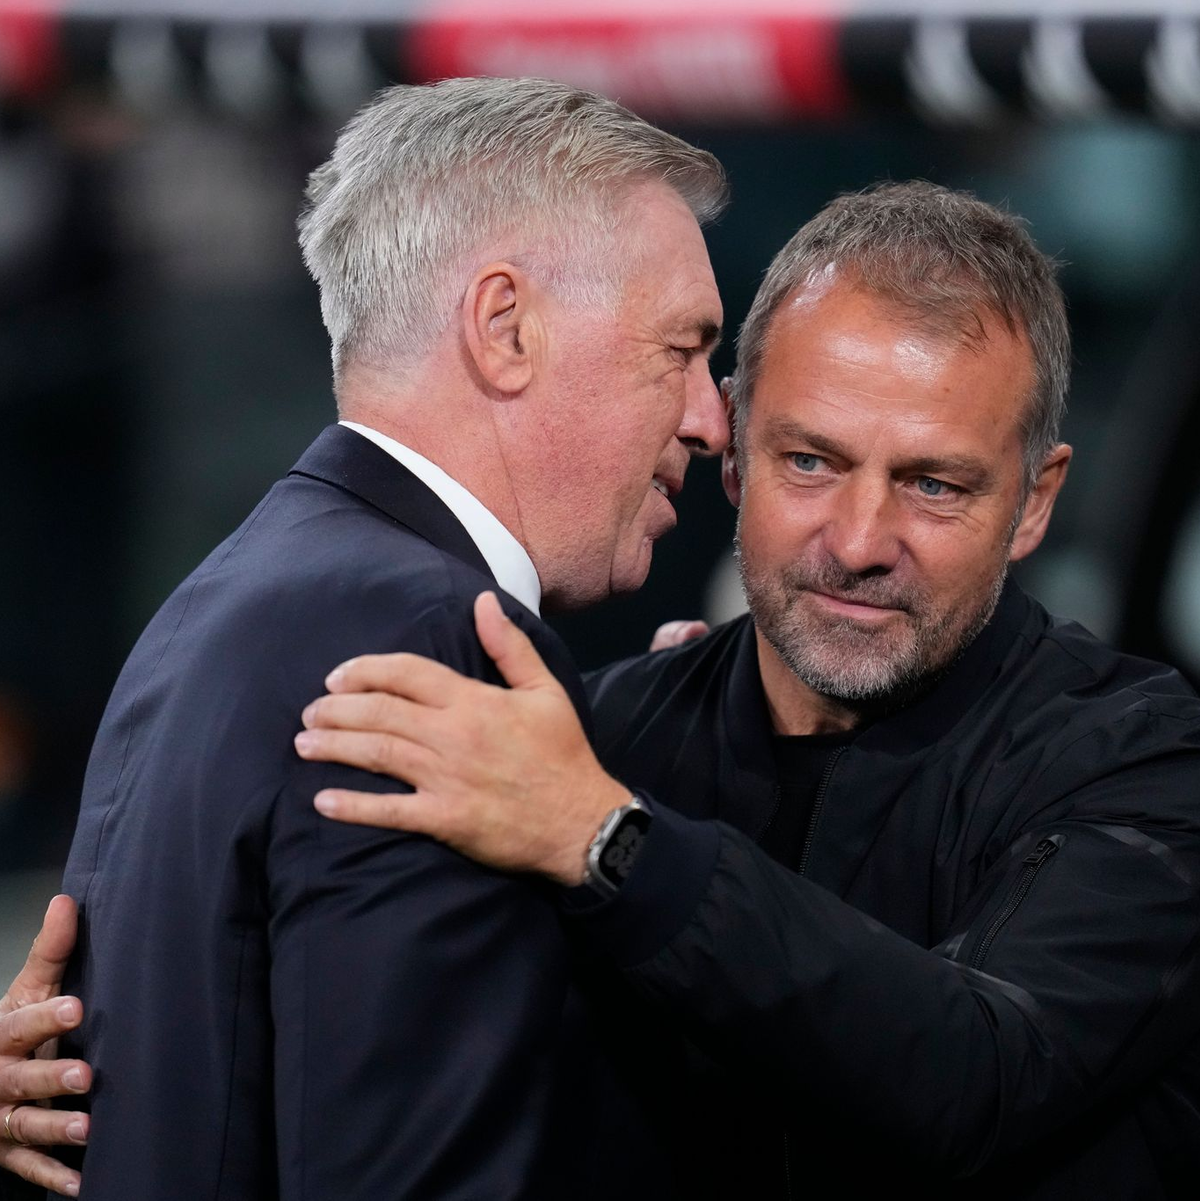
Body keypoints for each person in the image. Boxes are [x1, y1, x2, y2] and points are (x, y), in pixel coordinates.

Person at [4, 186, 1199, 1198]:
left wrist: (611, 844)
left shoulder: (1141, 760)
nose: (859, 539)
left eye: (934, 485)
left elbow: (981, 1071)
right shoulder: (582, 739)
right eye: (810, 461)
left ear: (1035, 501)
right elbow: (342, 1074)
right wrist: (75, 1076)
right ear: (729, 450)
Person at [0, 76, 729, 1199]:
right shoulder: (438, 644)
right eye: (681, 349)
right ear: (505, 327)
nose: (710, 419)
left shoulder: (227, 597)